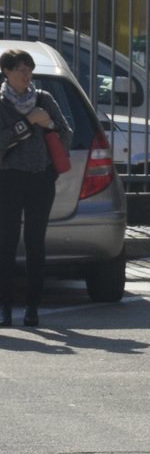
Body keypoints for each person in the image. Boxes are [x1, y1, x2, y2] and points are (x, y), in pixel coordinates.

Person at [0, 48, 72, 328]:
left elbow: (66, 133)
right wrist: (29, 122)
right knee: (6, 243)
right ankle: (5, 307)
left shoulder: (44, 99)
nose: (26, 75)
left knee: (35, 243)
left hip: (40, 179)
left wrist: (48, 122)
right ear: (7, 72)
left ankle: (33, 308)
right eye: (20, 70)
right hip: (8, 180)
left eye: (29, 70)